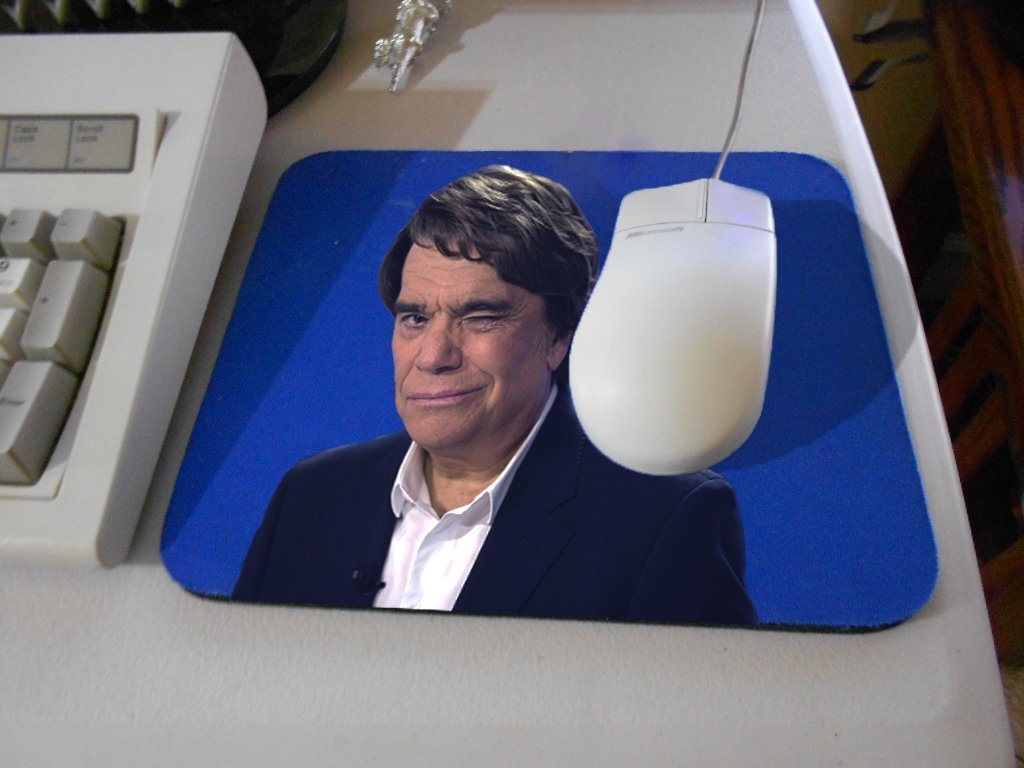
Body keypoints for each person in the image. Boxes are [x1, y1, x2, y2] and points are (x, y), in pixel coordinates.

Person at [232, 165, 757, 625]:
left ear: (561, 335)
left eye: (480, 316)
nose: (433, 355)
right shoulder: (312, 495)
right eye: (414, 318)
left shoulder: (664, 519)